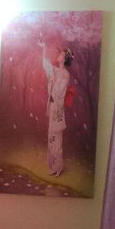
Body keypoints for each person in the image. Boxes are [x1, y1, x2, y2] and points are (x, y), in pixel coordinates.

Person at [39, 36, 73, 177]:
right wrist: (44, 48)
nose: (59, 56)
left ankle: (58, 166)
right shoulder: (55, 70)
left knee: (57, 136)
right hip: (53, 106)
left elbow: (60, 92)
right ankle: (53, 166)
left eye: (61, 55)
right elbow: (45, 64)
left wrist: (53, 84)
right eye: (59, 54)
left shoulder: (65, 74)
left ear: (64, 59)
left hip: (58, 107)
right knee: (51, 136)